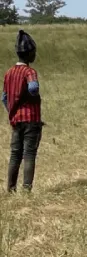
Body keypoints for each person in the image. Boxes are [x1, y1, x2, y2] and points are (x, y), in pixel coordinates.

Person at [3, 30, 42, 193]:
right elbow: (33, 87)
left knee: (15, 155)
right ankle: (26, 189)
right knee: (29, 154)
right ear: (30, 53)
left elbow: (4, 97)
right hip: (31, 118)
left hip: (16, 119)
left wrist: (11, 111)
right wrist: (33, 96)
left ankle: (10, 189)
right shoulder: (29, 72)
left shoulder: (9, 72)